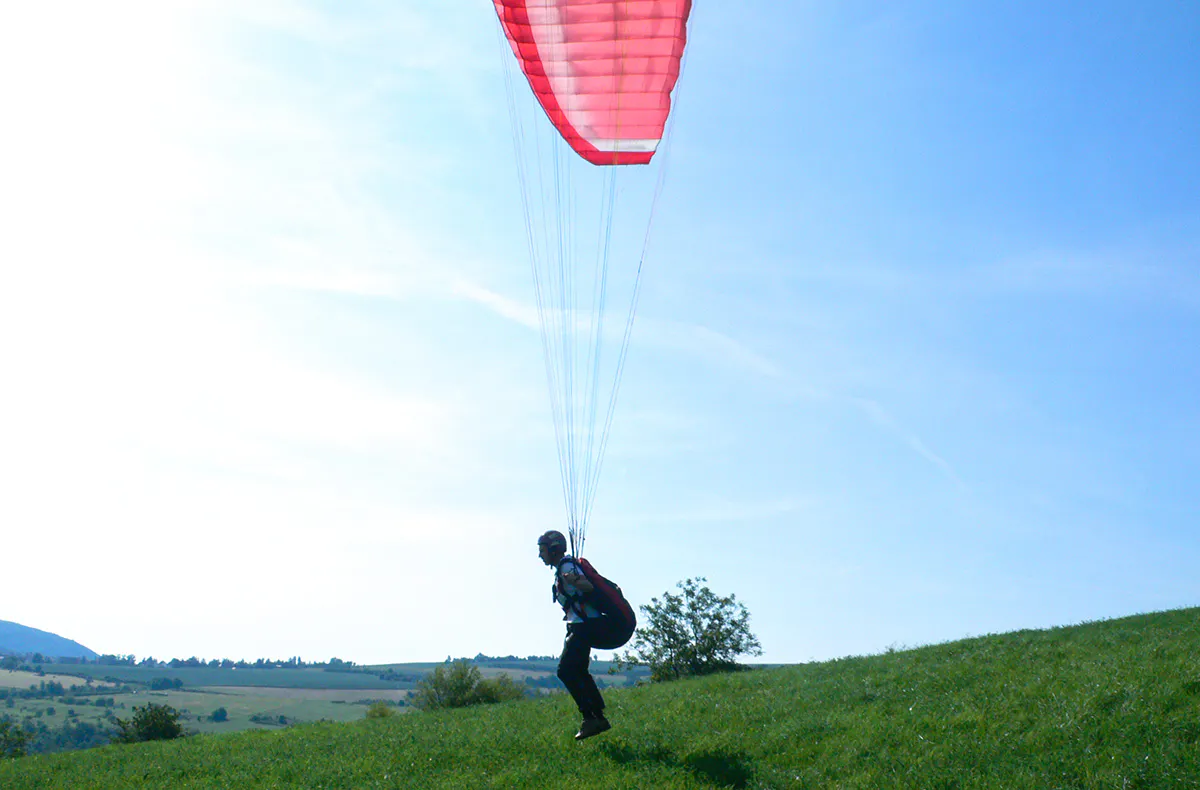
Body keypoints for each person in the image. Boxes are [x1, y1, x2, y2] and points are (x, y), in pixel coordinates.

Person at [538, 529, 625, 740]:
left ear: (553, 550)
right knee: (576, 670)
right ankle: (596, 716)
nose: (540, 555)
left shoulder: (567, 566)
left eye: (542, 550)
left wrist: (574, 580)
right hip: (581, 626)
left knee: (566, 671)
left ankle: (592, 718)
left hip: (585, 626)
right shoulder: (564, 567)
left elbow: (587, 586)